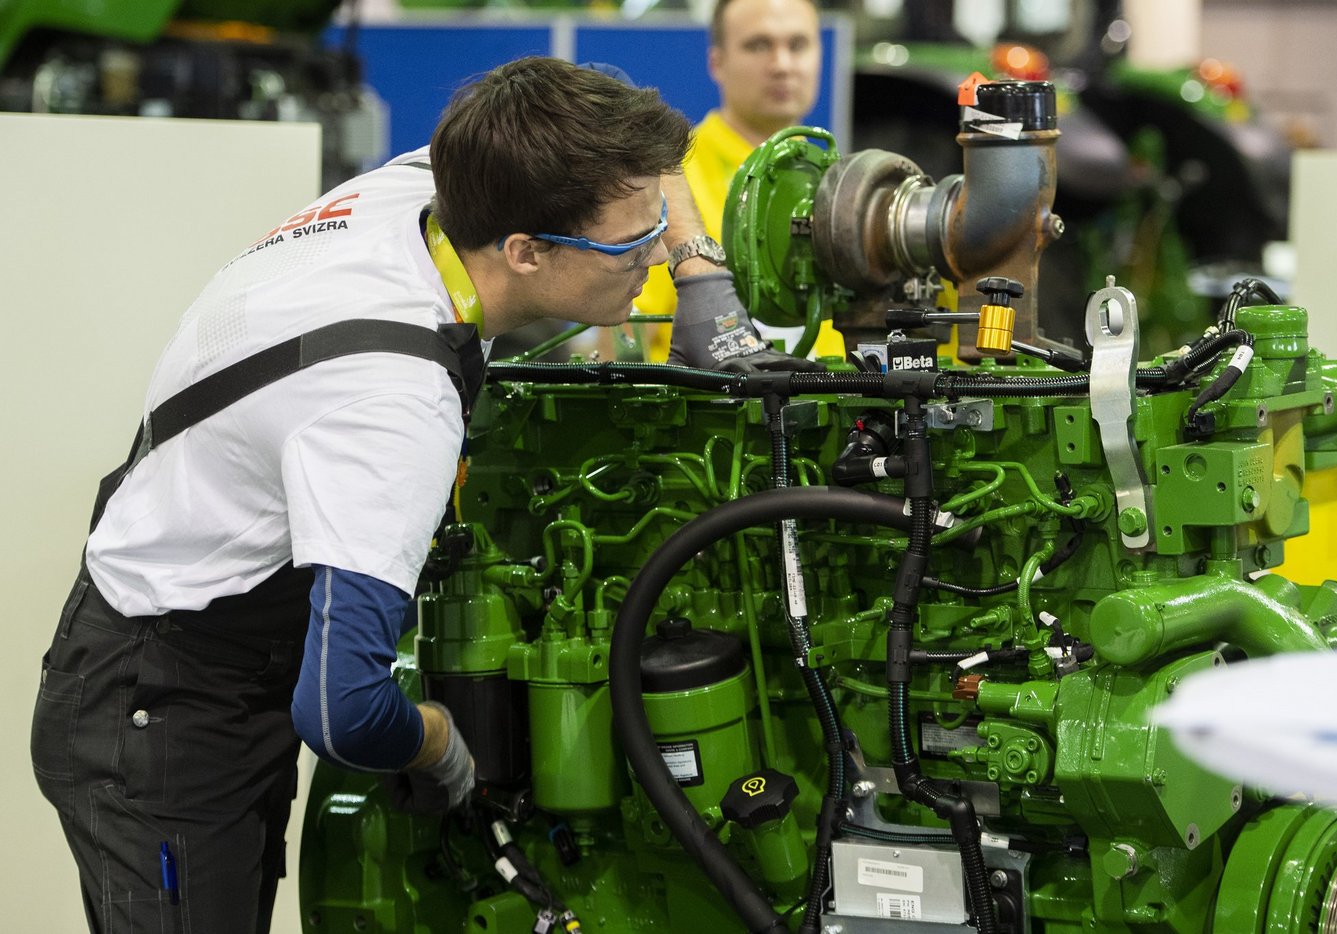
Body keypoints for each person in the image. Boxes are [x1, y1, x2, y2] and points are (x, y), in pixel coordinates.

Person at [28, 56, 795, 934]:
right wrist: (438, 740)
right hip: (162, 712)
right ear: (526, 251)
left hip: (208, 632)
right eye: (634, 244)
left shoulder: (449, 181)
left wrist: (703, 275)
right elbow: (342, 710)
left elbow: (630, 139)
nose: (654, 249)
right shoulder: (394, 406)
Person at [636, 0, 845, 361]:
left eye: (798, 45)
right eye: (758, 45)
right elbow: (628, 341)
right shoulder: (668, 176)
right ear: (717, 62)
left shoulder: (843, 183)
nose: (782, 65)